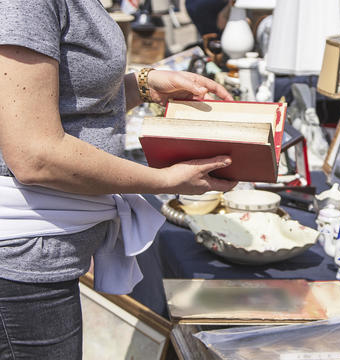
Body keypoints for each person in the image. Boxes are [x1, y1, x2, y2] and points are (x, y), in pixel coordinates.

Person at [0, 1, 237, 358]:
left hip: (41, 258)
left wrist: (142, 86)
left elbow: (70, 103)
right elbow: (36, 155)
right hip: (22, 263)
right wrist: (162, 179)